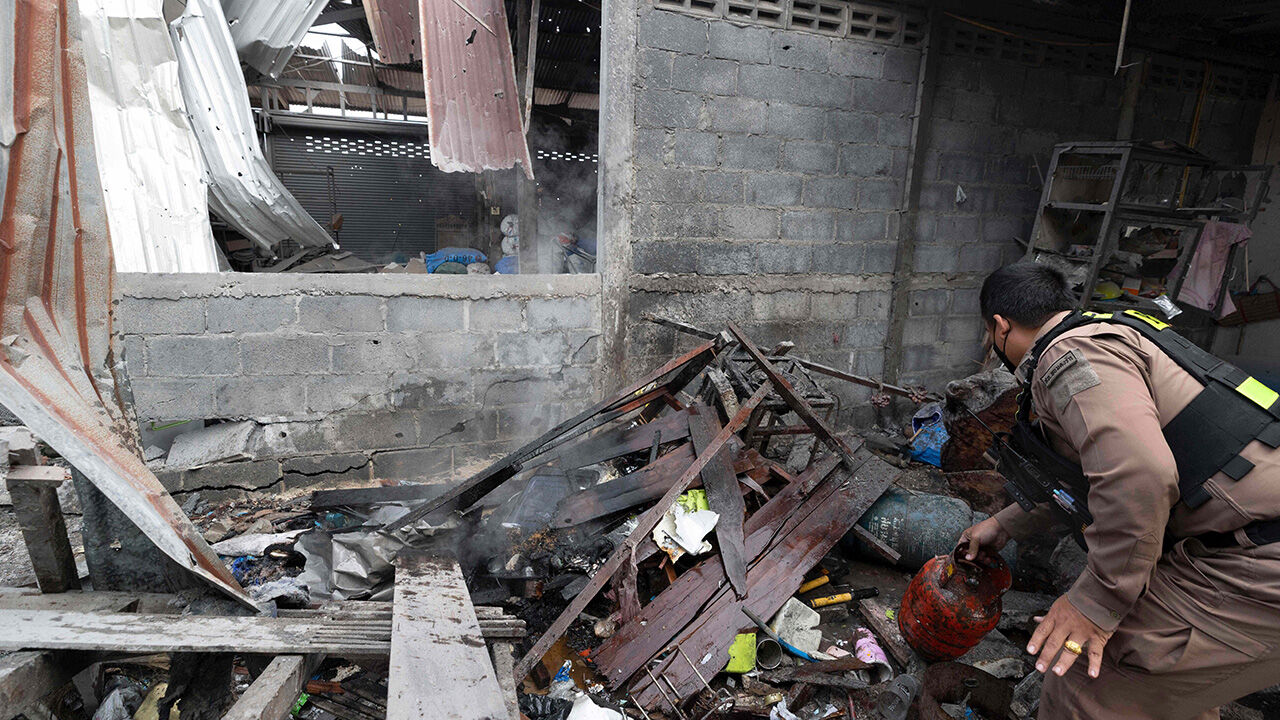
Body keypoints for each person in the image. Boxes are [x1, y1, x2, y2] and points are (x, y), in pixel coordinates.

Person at [957, 262, 1280, 720]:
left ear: (1000, 326)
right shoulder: (1111, 333)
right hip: (1241, 539)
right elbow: (1092, 478)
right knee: (1162, 695)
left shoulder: (1068, 358)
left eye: (990, 336)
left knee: (1084, 683)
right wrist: (1004, 523)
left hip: (1256, 556)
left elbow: (1138, 476)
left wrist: (1094, 604)